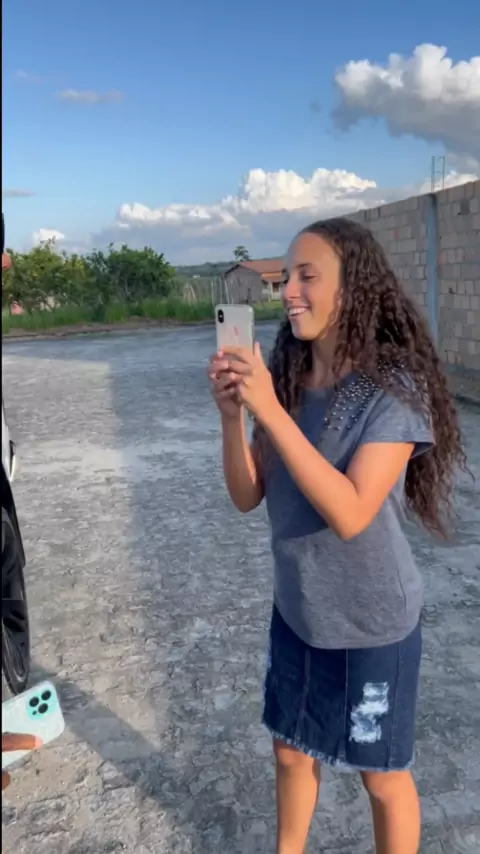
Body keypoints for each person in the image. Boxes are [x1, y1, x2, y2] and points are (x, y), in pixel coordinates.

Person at [208, 217, 465, 854]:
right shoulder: (287, 378)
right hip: (299, 610)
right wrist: (234, 417)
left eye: (307, 276)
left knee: (381, 777)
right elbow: (246, 495)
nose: (289, 290)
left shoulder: (392, 391)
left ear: (351, 289)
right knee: (291, 753)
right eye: (287, 276)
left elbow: (351, 513)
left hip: (372, 621)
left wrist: (269, 409)